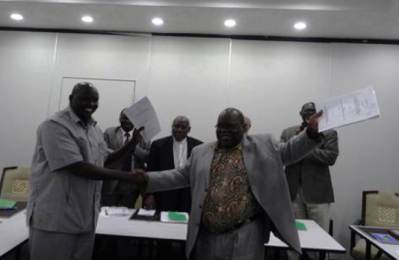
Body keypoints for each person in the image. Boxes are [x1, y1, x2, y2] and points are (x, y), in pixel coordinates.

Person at [133, 107, 324, 260]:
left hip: (245, 237)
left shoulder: (262, 147)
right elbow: (180, 175)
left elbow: (289, 151)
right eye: (220, 127)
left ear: (243, 127)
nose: (224, 132)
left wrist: (310, 134)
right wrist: (149, 179)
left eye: (230, 128)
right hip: (205, 237)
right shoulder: (201, 152)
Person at [27, 82, 142, 260]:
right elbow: (77, 166)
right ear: (71, 98)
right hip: (56, 220)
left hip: (85, 218)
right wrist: (127, 176)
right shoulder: (54, 126)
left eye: (94, 100)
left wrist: (132, 144)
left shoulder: (94, 129)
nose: (90, 104)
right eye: (84, 99)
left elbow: (105, 159)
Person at [281, 102, 339, 232]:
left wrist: (304, 144)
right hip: (293, 192)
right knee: (296, 234)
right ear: (300, 114)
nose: (308, 115)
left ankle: (317, 254)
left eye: (312, 112)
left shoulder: (329, 132)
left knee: (319, 234)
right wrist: (299, 143)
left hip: (318, 193)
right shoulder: (288, 132)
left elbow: (331, 157)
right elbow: (282, 158)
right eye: (305, 113)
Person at [144, 115, 202, 212]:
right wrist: (150, 195)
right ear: (172, 127)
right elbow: (151, 171)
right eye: (176, 126)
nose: (179, 129)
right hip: (164, 193)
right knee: (163, 223)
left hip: (188, 194)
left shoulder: (198, 146)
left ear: (189, 129)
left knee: (184, 223)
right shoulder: (158, 145)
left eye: (183, 127)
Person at [101, 109, 150, 208]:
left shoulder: (143, 136)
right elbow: (104, 153)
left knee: (127, 215)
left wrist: (133, 144)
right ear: (119, 119)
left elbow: (146, 156)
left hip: (131, 183)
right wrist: (128, 146)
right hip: (111, 181)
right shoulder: (109, 132)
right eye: (124, 118)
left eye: (130, 118)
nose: (127, 121)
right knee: (107, 213)